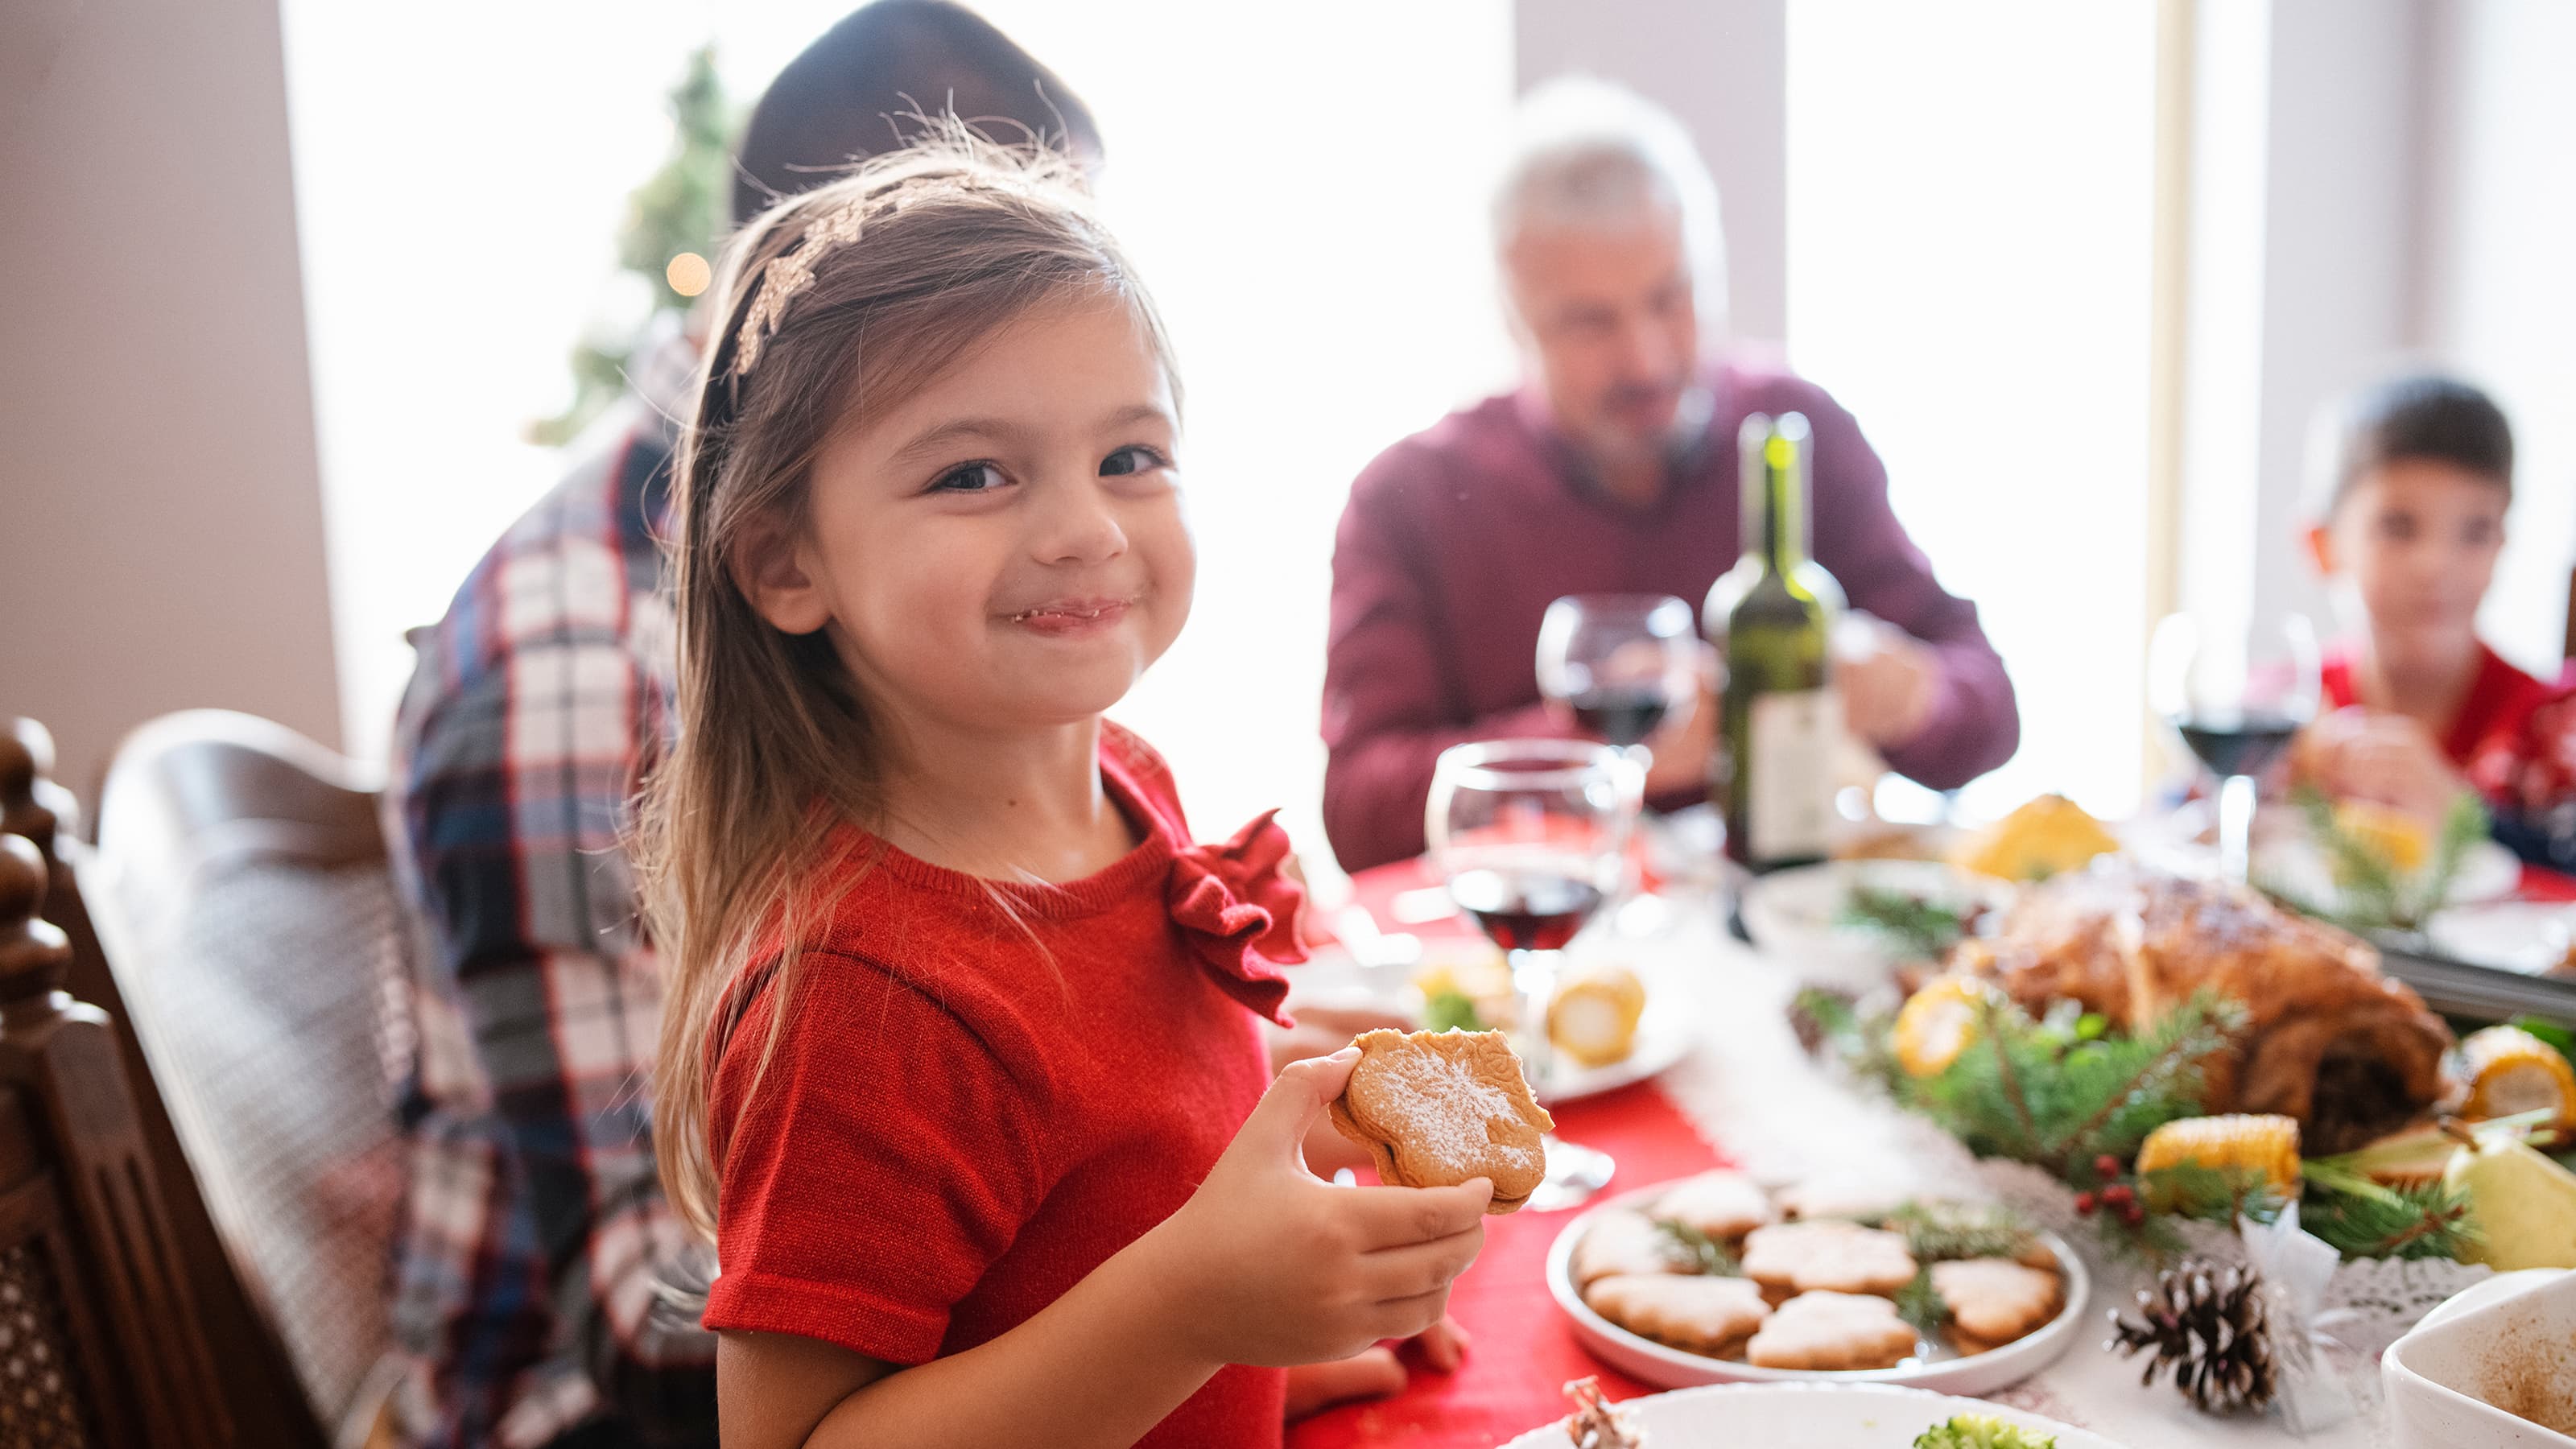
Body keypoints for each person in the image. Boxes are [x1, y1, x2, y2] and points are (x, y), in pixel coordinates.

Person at [634, 138, 1488, 1449]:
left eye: (1130, 457)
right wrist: (1193, 1317)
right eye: (974, 474)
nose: (1085, 527)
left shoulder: (1124, 782)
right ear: (785, 564)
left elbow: (1101, 1197)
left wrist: (1251, 1353)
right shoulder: (865, 997)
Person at [382, 9, 1100, 1447]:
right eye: (1024, 280)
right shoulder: (577, 681)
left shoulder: (922, 575)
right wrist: (1158, 1287)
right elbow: (657, 1325)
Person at [1321, 78, 2018, 872]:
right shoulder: (1406, 498)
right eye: (1589, 322)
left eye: (1670, 297)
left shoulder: (1792, 432)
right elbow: (1357, 813)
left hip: (1782, 934)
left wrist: (1909, 694)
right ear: (1512, 321)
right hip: (1551, 952)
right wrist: (1593, 749)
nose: (1645, 357)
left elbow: (1989, 709)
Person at [2291, 372, 2551, 828]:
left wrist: (2465, 819)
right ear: (2322, 545)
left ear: (2502, 546)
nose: (2436, 564)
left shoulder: (2550, 732)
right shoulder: (2285, 709)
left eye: (2475, 531)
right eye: (2398, 527)